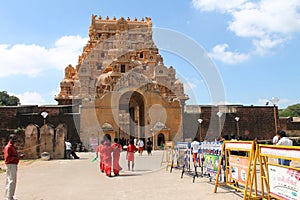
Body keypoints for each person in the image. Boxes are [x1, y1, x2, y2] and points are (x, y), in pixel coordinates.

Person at [4, 134, 24, 200]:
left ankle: (8, 196)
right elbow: (7, 158)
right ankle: (10, 197)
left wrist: (18, 156)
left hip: (13, 164)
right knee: (12, 181)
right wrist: (16, 157)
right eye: (14, 140)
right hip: (10, 165)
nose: (15, 142)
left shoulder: (12, 147)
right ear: (10, 140)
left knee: (9, 180)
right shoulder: (8, 147)